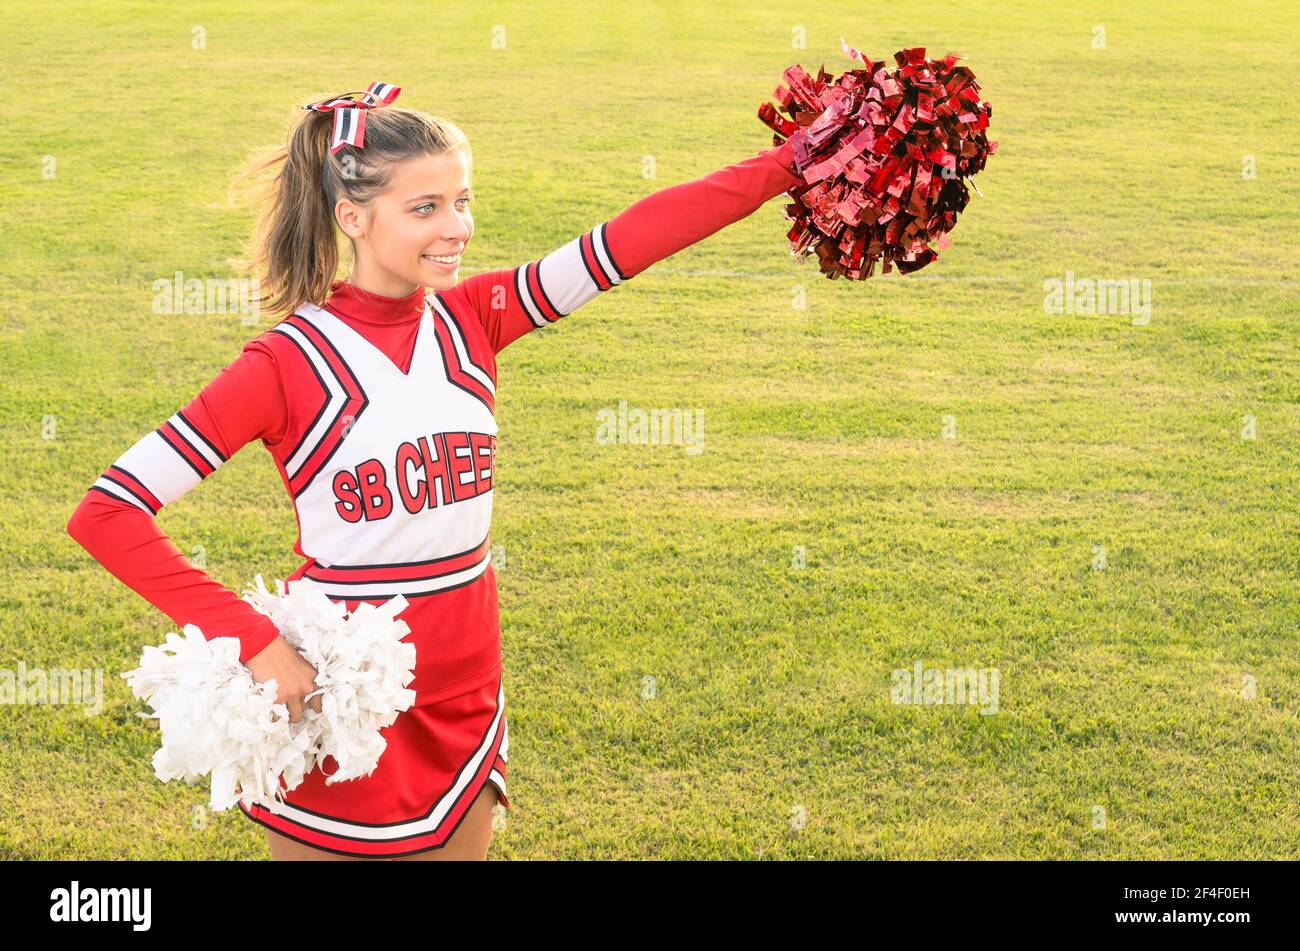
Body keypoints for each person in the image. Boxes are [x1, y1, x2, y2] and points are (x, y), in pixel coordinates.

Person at [66, 81, 804, 860]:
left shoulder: (476, 319)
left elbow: (630, 240)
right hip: (343, 703)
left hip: (465, 694)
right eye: (425, 208)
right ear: (353, 217)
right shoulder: (286, 363)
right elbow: (107, 510)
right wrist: (253, 638)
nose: (457, 228)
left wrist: (791, 162)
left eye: (462, 200)